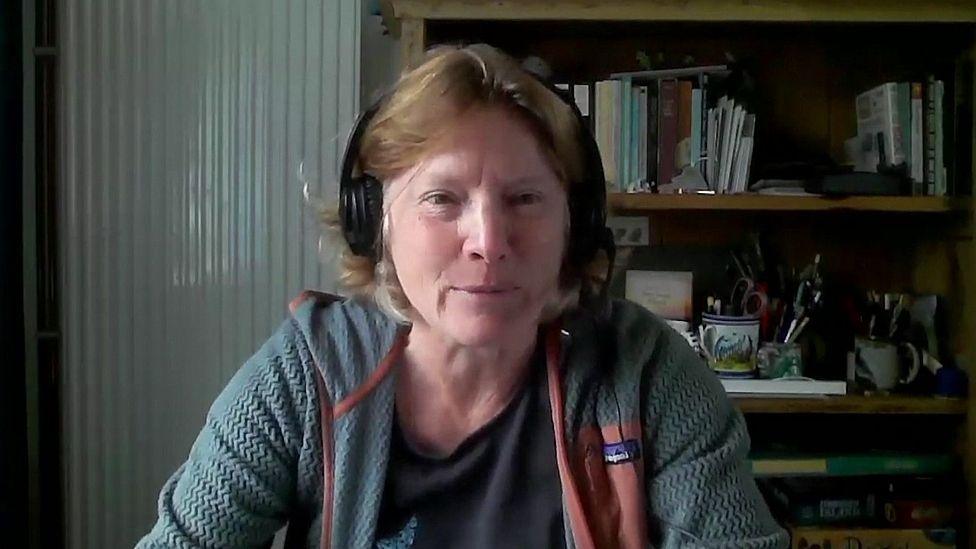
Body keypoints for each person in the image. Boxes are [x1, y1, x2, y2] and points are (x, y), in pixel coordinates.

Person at [138, 43, 788, 548]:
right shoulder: (306, 374)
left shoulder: (648, 374)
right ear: (376, 223)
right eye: (442, 199)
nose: (488, 239)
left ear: (576, 224)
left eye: (525, 198)